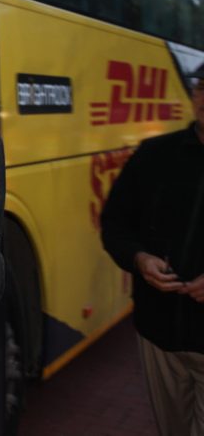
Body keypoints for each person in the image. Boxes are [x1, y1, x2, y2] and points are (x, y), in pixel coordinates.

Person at [100, 62, 204, 436]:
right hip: (158, 335)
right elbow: (115, 224)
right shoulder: (154, 155)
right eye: (203, 87)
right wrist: (138, 258)